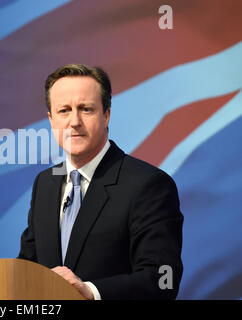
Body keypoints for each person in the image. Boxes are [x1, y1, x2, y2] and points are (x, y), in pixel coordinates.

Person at [18, 64, 183, 300]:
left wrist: (91, 292)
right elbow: (27, 268)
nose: (74, 121)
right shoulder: (45, 184)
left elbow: (163, 280)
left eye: (86, 109)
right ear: (51, 120)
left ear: (106, 115)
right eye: (64, 110)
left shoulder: (149, 185)